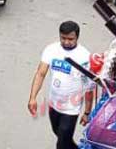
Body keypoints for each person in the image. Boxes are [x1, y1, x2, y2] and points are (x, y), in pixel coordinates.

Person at [28, 21, 94, 149]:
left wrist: (87, 112)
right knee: (61, 136)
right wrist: (32, 98)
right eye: (63, 38)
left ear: (77, 38)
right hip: (54, 104)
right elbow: (40, 74)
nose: (66, 42)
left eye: (70, 39)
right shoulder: (51, 50)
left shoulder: (84, 57)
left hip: (71, 108)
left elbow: (89, 89)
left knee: (62, 143)